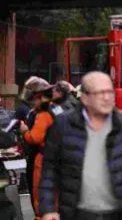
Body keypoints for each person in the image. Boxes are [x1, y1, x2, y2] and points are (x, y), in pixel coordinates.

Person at [38, 71, 122, 220]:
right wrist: (48, 209)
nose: (106, 97)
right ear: (85, 98)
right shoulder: (63, 125)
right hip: (78, 214)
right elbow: (49, 170)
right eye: (99, 93)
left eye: (109, 92)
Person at [19, 80, 58, 220]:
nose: (33, 103)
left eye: (34, 100)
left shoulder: (43, 114)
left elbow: (34, 138)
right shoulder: (58, 109)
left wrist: (24, 132)